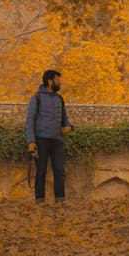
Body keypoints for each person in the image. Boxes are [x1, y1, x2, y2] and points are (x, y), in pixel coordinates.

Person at [26, 68, 73, 204]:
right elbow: (30, 120)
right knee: (41, 172)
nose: (60, 82)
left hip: (57, 141)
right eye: (57, 80)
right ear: (49, 81)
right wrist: (31, 141)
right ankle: (39, 201)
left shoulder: (60, 99)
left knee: (59, 171)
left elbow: (65, 118)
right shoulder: (36, 98)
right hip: (41, 140)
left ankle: (60, 201)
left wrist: (69, 127)